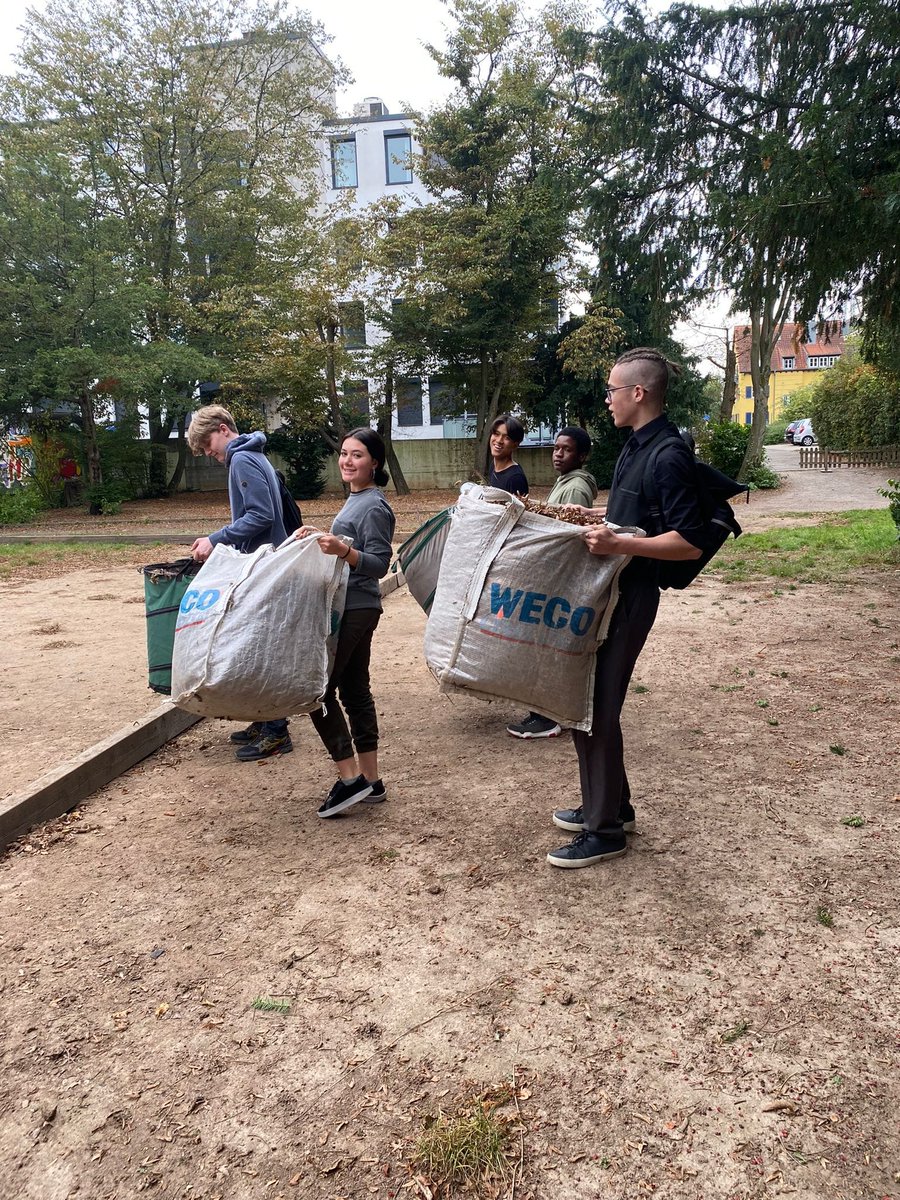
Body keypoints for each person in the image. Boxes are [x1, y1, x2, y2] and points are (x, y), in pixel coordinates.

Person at [546, 348, 708, 869]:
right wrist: (594, 515)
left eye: (613, 390)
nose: (608, 399)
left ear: (638, 393)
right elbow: (633, 515)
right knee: (591, 702)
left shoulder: (668, 453)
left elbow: (689, 542)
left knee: (595, 708)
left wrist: (620, 546)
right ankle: (613, 804)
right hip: (608, 592)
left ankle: (605, 830)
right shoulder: (633, 447)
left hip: (632, 597)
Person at [295, 428, 396, 818]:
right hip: (352, 607)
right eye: (343, 453)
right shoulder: (357, 500)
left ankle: (350, 779)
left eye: (357, 455)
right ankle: (371, 781)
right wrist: (322, 536)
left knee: (316, 691)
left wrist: (343, 549)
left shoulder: (374, 505)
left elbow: (377, 564)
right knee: (355, 692)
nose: (347, 461)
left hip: (355, 608)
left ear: (374, 462)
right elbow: (346, 549)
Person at [186, 404, 292, 762]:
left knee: (263, 649)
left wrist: (216, 539)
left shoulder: (242, 460)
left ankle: (276, 731)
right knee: (258, 645)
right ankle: (264, 721)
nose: (207, 453)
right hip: (268, 562)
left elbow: (261, 515)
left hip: (264, 566)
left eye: (206, 443)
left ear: (222, 428)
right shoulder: (252, 456)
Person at [506, 426, 599, 740]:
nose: (558, 454)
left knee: (548, 647)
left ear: (582, 455)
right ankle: (545, 712)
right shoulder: (566, 482)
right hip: (556, 574)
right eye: (556, 448)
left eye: (566, 449)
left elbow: (565, 534)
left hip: (560, 577)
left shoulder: (575, 488)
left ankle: (547, 717)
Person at [488, 414, 529, 495]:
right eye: (496, 434)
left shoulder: (515, 478)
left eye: (507, 438)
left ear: (515, 444)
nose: (499, 440)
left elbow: (520, 507)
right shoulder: (493, 466)